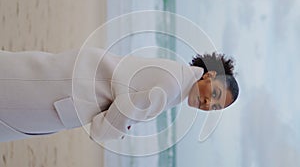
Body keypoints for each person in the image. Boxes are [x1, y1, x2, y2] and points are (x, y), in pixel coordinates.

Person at [0, 47, 239, 143]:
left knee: (15, 69)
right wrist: (120, 131)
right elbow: (110, 124)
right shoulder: (172, 87)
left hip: (75, 75)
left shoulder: (178, 76)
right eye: (215, 93)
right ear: (209, 76)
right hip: (70, 91)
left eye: (215, 106)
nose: (209, 103)